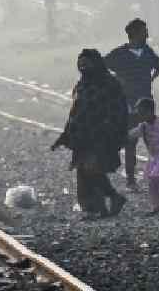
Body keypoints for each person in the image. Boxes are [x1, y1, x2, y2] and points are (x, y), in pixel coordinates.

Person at [51, 49, 129, 220]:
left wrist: (114, 133)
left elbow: (119, 111)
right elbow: (75, 113)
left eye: (87, 64)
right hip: (83, 138)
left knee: (91, 168)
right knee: (86, 172)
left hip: (102, 136)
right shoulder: (82, 84)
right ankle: (101, 207)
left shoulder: (110, 84)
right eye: (80, 64)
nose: (83, 67)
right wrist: (65, 135)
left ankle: (113, 198)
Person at [104, 18, 159, 190]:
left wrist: (150, 79)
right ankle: (131, 180)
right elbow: (102, 64)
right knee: (131, 142)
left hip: (146, 102)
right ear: (135, 34)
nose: (147, 34)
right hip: (128, 104)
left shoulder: (147, 52)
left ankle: (158, 177)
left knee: (154, 140)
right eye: (144, 31)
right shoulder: (120, 54)